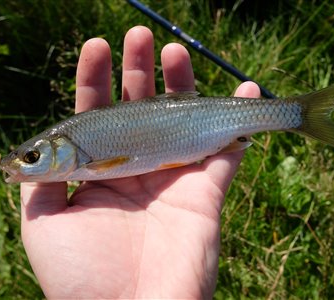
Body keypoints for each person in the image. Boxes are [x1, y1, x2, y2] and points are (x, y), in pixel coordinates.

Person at [20, 26, 261, 299]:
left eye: (32, 158)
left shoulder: (84, 155)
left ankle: (297, 114)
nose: (25, 165)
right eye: (32, 158)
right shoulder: (77, 148)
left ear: (58, 148)